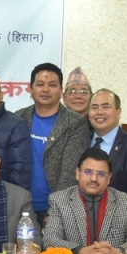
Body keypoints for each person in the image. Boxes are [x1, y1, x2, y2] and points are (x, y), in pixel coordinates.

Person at [15, 62, 91, 224]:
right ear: (30, 89)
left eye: (52, 85)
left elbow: (70, 172)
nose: (45, 89)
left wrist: (56, 212)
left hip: (55, 211)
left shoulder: (75, 123)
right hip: (20, 207)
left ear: (61, 90)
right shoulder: (18, 118)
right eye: (40, 84)